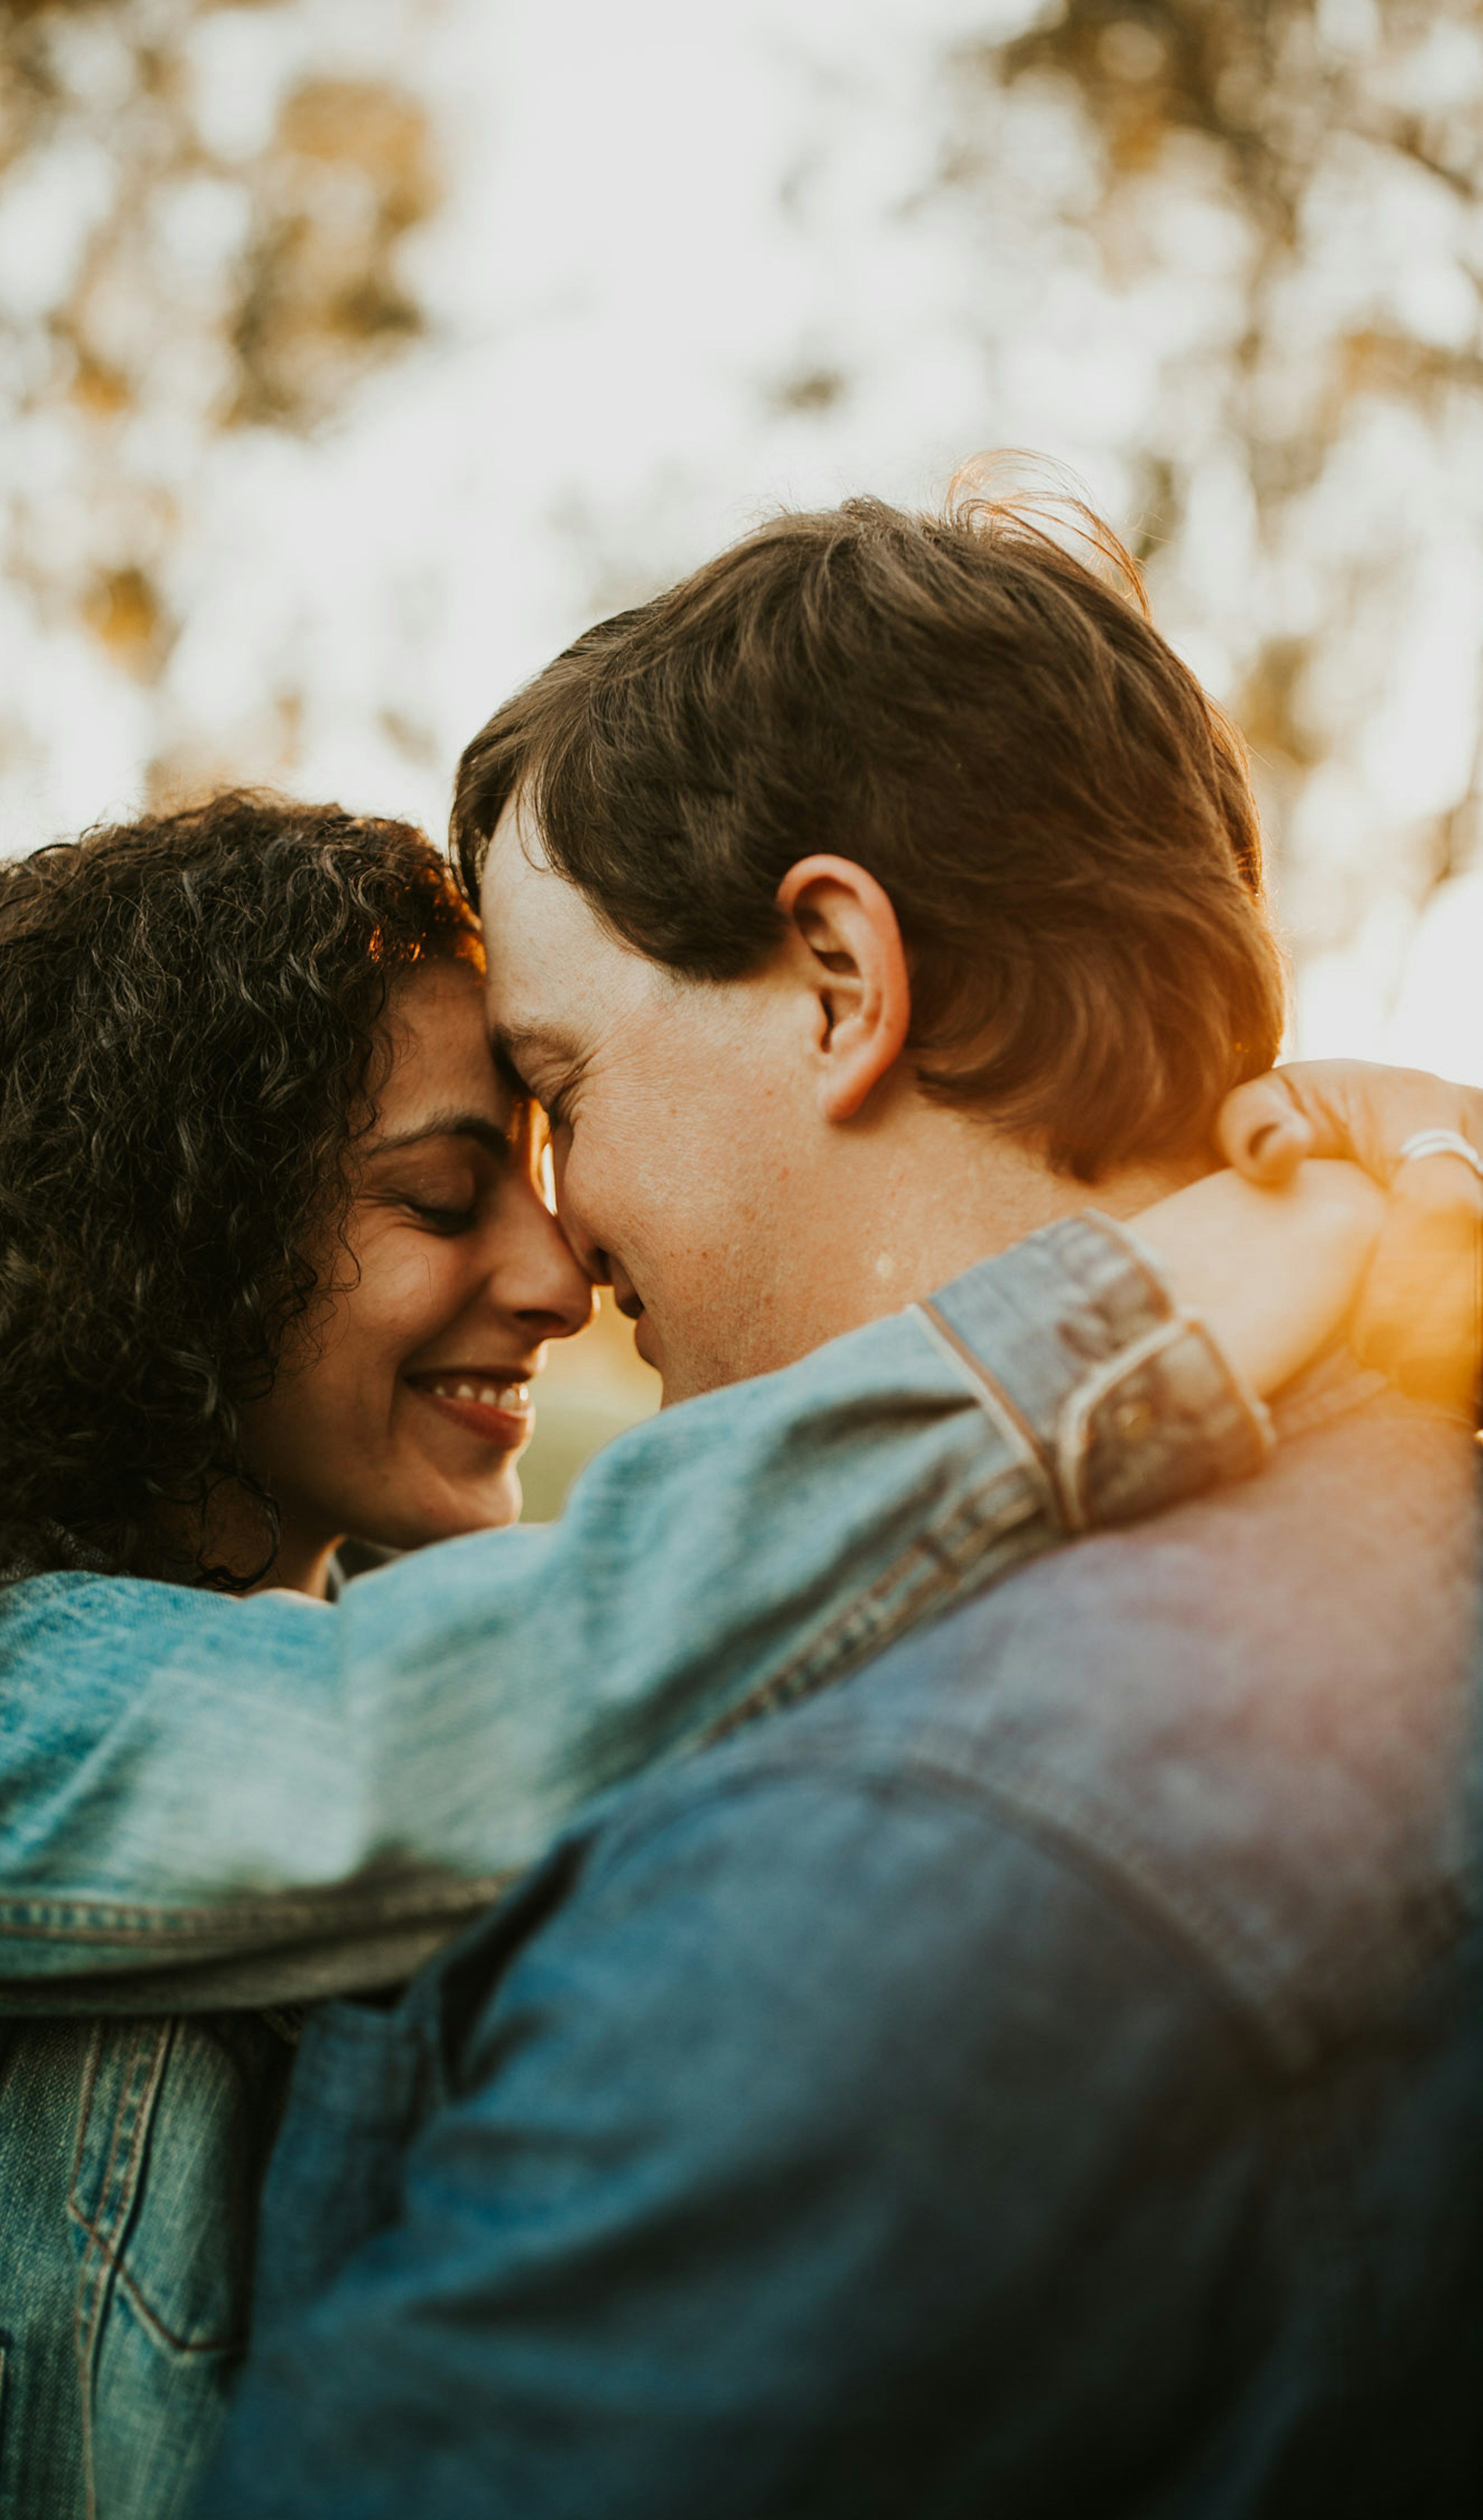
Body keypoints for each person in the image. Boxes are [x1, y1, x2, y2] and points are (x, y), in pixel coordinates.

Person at [0, 791, 1372, 2520]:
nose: (559, 1274)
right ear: (151, 1238)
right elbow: (428, 1728)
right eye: (444, 1197)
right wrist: (1184, 1285)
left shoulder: (369, 1625)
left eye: (547, 1172)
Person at [202, 491, 1483, 2519]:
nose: (563, 1235)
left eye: (567, 1088)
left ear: (835, 975)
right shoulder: (1418, 1504)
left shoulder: (873, 1866)